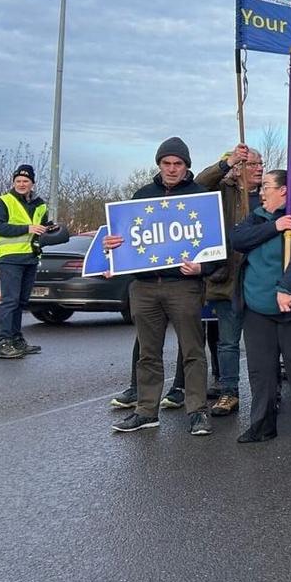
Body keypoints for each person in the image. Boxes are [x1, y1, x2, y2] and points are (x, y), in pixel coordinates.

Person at [107, 138, 220, 435]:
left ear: (187, 166)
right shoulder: (141, 196)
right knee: (148, 353)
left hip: (183, 287)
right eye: (166, 163)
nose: (172, 169)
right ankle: (146, 411)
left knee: (192, 351)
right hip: (143, 287)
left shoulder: (201, 196)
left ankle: (196, 411)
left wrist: (202, 267)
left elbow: (221, 249)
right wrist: (112, 245)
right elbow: (125, 238)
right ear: (159, 165)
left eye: (178, 164)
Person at [230, 169, 291, 444]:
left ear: (284, 190)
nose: (261, 192)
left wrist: (286, 288)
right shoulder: (257, 216)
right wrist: (274, 227)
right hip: (257, 309)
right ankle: (261, 426)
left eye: (266, 186)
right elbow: (238, 240)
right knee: (261, 371)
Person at [194, 143, 254, 416]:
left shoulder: (271, 193)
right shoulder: (223, 191)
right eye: (251, 164)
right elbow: (199, 183)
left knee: (264, 342)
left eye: (260, 165)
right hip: (229, 280)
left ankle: (270, 390)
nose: (258, 169)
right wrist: (227, 163)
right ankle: (229, 392)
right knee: (228, 342)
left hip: (260, 280)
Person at [0, 164, 67, 358]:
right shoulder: (2, 202)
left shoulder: (40, 204)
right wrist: (27, 228)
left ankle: (16, 339)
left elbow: (41, 227)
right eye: (18, 181)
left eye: (25, 181)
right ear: (13, 182)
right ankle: (3, 342)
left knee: (21, 302)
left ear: (32, 183)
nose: (21, 184)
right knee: (10, 301)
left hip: (30, 256)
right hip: (10, 257)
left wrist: (50, 229)